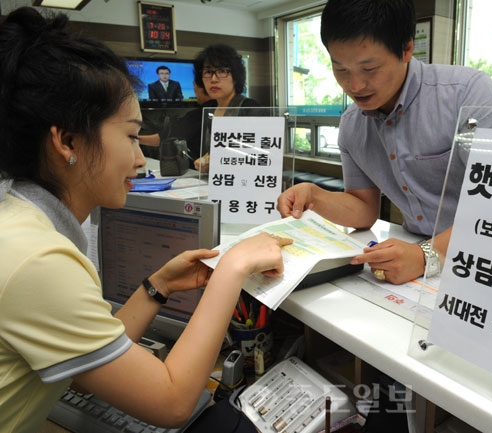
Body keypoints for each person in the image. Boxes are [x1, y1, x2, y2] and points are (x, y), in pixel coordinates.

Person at [0, 7, 291, 433]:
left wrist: (159, 286)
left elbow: (82, 365)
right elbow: (172, 402)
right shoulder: (38, 259)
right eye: (131, 135)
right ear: (67, 140)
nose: (140, 159)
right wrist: (232, 266)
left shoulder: (19, 223)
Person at [277, 0, 492, 285]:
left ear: (406, 49)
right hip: (413, 260)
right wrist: (316, 196)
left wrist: (427, 254)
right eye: (340, 70)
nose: (354, 86)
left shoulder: (468, 95)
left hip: (489, 258)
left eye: (369, 69)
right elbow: (363, 209)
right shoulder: (353, 124)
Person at [192, 43, 261, 173]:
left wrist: (219, 159)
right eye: (208, 72)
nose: (213, 79)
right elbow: (214, 151)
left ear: (235, 77)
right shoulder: (210, 110)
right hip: (217, 184)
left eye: (222, 71)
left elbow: (260, 154)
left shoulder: (250, 108)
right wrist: (206, 160)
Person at [139, 81, 216, 160]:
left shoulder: (197, 115)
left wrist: (134, 139)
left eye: (194, 87)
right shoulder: (221, 109)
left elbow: (164, 138)